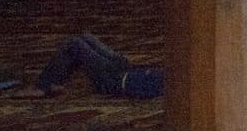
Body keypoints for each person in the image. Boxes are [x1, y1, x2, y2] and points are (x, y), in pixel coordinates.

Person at [21, 34, 161, 99]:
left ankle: (43, 86)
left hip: (116, 81)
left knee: (74, 44)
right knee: (86, 37)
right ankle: (56, 80)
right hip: (129, 71)